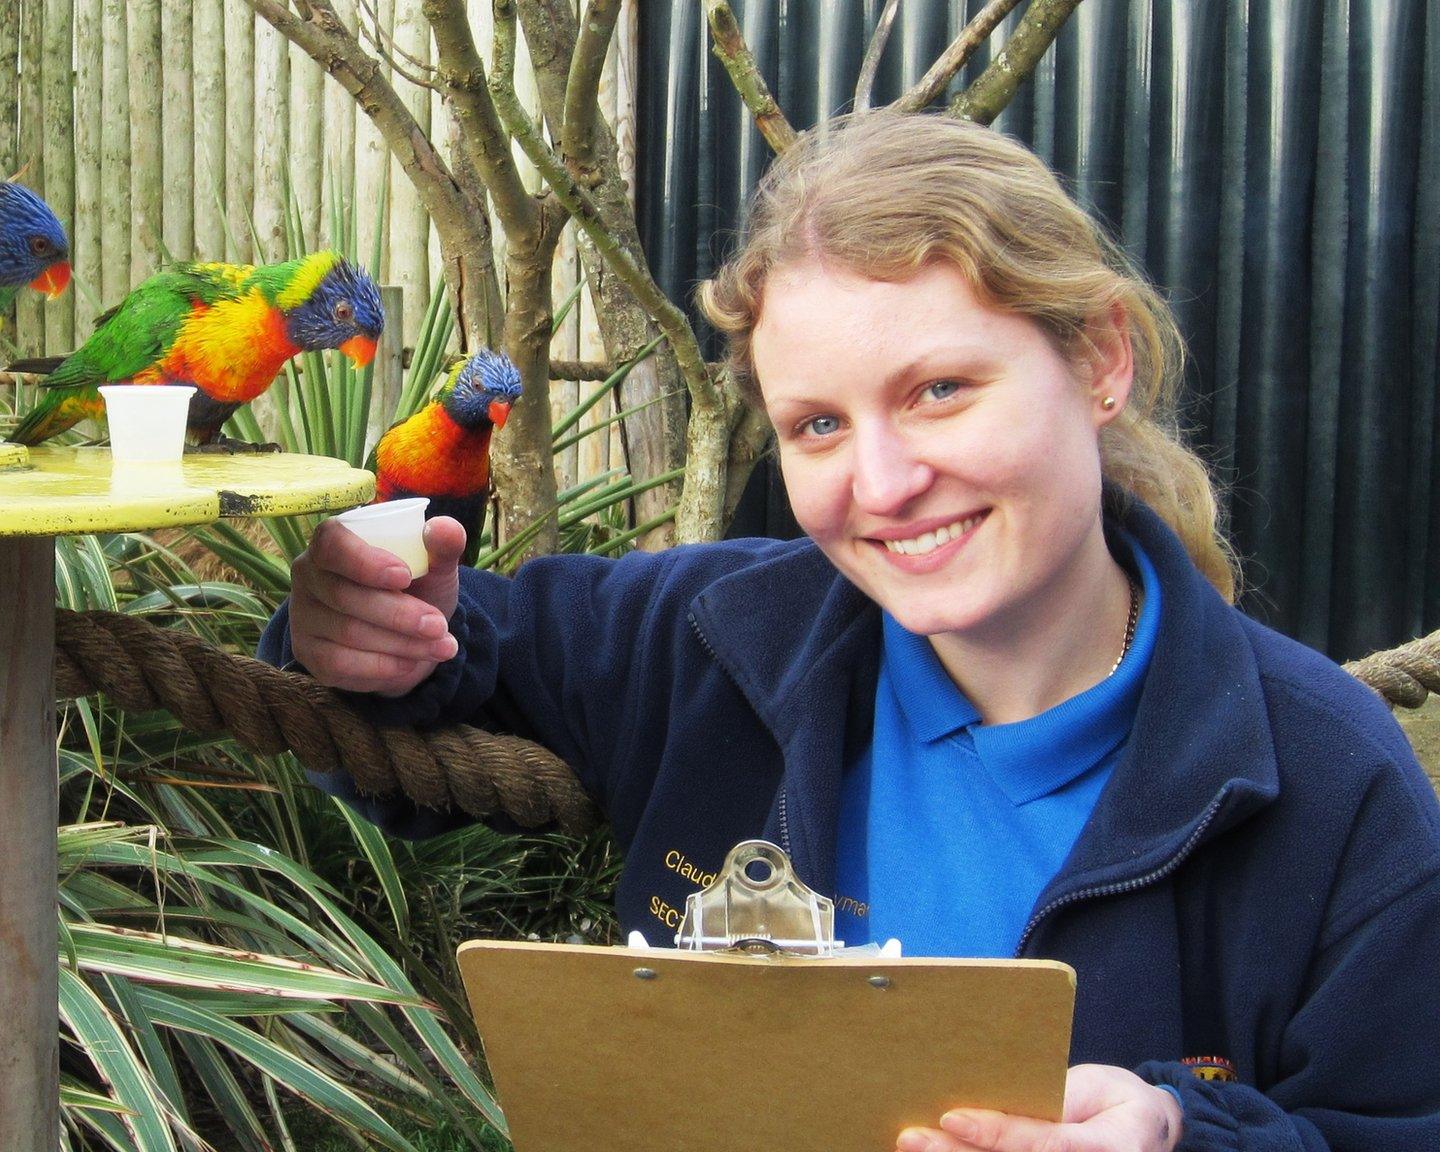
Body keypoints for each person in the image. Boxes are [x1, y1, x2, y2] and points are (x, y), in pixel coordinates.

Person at [260, 111, 1440, 1152]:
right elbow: (437, 664)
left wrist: (1185, 1133)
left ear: (1098, 360)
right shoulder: (716, 641)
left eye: (938, 391)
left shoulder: (1326, 784)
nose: (880, 483)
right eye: (817, 424)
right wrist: (365, 626)